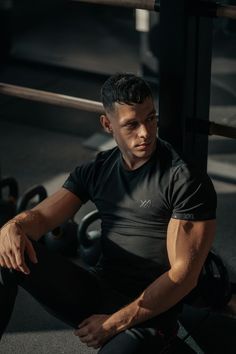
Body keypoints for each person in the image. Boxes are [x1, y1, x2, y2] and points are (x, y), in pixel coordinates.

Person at [0, 73, 216, 353]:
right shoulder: (97, 169)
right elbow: (40, 219)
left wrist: (113, 324)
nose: (146, 133)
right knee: (4, 253)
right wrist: (12, 226)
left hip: (150, 314)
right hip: (98, 290)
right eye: (132, 124)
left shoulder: (183, 179)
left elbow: (183, 277)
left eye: (151, 118)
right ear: (107, 124)